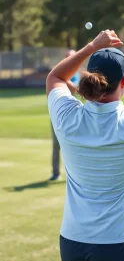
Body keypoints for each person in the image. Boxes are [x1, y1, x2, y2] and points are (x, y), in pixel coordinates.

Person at [46, 30, 124, 261]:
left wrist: (91, 46)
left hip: (72, 242)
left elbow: (56, 77)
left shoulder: (67, 118)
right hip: (117, 244)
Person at [49, 49, 81, 181]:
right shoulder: (60, 72)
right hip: (58, 111)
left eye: (72, 57)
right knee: (56, 144)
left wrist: (60, 77)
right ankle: (55, 172)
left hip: (75, 112)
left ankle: (77, 174)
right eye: (67, 58)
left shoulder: (78, 73)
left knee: (76, 144)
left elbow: (74, 88)